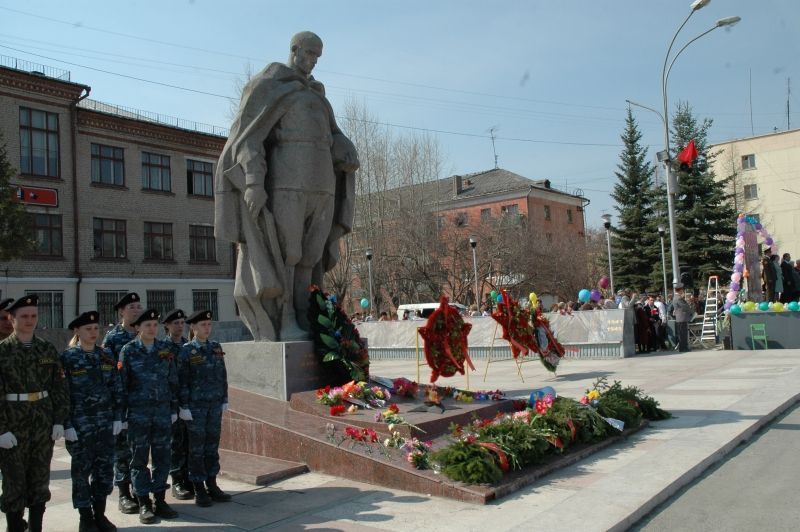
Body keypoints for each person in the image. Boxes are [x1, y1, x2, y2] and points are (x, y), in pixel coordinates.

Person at [214, 31, 359, 342]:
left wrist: (343, 143)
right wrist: (253, 181)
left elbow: (333, 133)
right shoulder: (269, 85)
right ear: (295, 50)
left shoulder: (318, 95)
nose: (313, 62)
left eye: (317, 57)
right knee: (286, 252)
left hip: (322, 184)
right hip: (287, 182)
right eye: (309, 54)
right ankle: (285, 319)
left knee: (311, 254)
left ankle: (306, 315)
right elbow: (248, 138)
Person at [0, 295, 69, 532]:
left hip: (42, 422)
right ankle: (14, 527)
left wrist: (59, 420)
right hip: (13, 423)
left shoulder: (46, 348)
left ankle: (36, 528)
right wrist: (1, 430)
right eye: (24, 316)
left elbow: (59, 387)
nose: (30, 320)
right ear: (12, 318)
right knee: (14, 482)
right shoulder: (3, 351)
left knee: (40, 479)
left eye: (33, 316)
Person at [61, 311, 122, 532]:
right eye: (88, 329)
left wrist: (117, 418)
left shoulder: (106, 356)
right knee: (81, 473)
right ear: (77, 331)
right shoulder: (68, 358)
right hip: (80, 426)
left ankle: (100, 514)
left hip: (105, 425)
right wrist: (66, 424)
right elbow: (62, 393)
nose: (93, 333)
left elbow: (116, 388)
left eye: (96, 328)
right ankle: (85, 517)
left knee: (104, 472)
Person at [118, 309, 179, 524]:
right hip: (138, 415)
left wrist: (174, 409)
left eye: (154, 325)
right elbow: (122, 385)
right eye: (147, 325)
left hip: (162, 413)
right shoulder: (128, 351)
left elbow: (172, 380)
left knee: (163, 458)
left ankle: (160, 499)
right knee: (139, 459)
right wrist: (121, 415)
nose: (152, 329)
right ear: (137, 328)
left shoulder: (165, 349)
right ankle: (144, 501)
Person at [177, 310, 232, 507]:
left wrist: (224, 398)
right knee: (196, 449)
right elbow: (182, 381)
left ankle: (212, 483)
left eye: (209, 325)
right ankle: (198, 487)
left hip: (214, 405)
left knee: (212, 445)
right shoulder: (186, 351)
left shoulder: (216, 347)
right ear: (193, 327)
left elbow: (222, 375)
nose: (207, 328)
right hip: (195, 408)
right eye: (203, 325)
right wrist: (183, 406)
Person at [100, 291, 142, 515]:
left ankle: (140, 490)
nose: (136, 310)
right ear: (121, 312)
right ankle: (124, 492)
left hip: (142, 401)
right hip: (121, 400)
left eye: (138, 306)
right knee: (122, 449)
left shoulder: (144, 332)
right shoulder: (113, 337)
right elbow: (107, 371)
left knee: (140, 448)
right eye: (132, 307)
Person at [161, 309, 194, 501]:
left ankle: (188, 477)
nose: (180, 326)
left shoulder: (187, 346)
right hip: (171, 404)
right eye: (176, 323)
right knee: (175, 443)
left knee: (189, 442)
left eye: (182, 323)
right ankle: (177, 481)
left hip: (188, 402)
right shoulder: (162, 348)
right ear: (167, 326)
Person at [673, 284, 693, 352]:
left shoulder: (677, 297)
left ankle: (684, 347)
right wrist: (690, 307)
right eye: (682, 289)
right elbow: (685, 306)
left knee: (683, 333)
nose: (683, 291)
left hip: (681, 318)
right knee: (682, 334)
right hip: (681, 318)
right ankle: (683, 347)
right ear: (680, 290)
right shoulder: (678, 298)